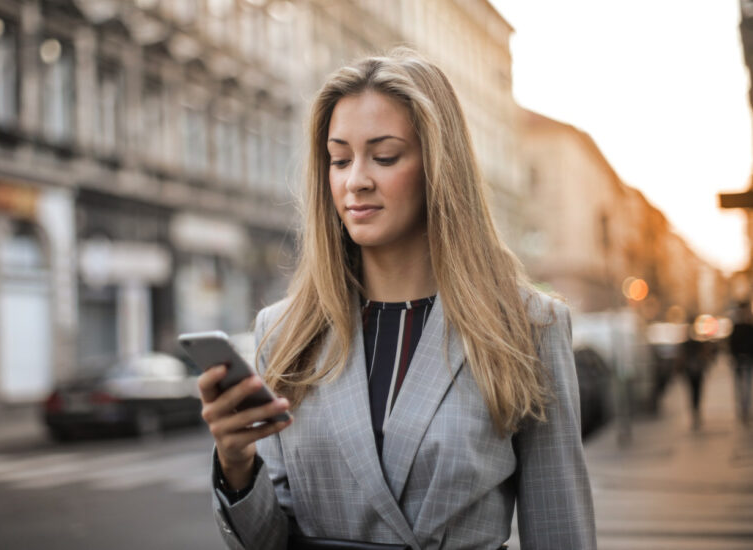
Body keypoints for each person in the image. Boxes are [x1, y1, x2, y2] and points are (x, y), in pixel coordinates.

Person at [198, 49, 596, 550]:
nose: (355, 180)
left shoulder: (527, 326)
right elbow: (265, 542)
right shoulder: (283, 333)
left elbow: (560, 529)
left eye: (384, 156)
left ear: (439, 167)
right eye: (339, 159)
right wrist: (237, 466)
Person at [729, 302, 753, 426]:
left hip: (747, 360)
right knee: (740, 386)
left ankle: (746, 408)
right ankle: (742, 409)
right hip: (739, 361)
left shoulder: (749, 327)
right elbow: (731, 345)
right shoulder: (737, 327)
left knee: (747, 386)